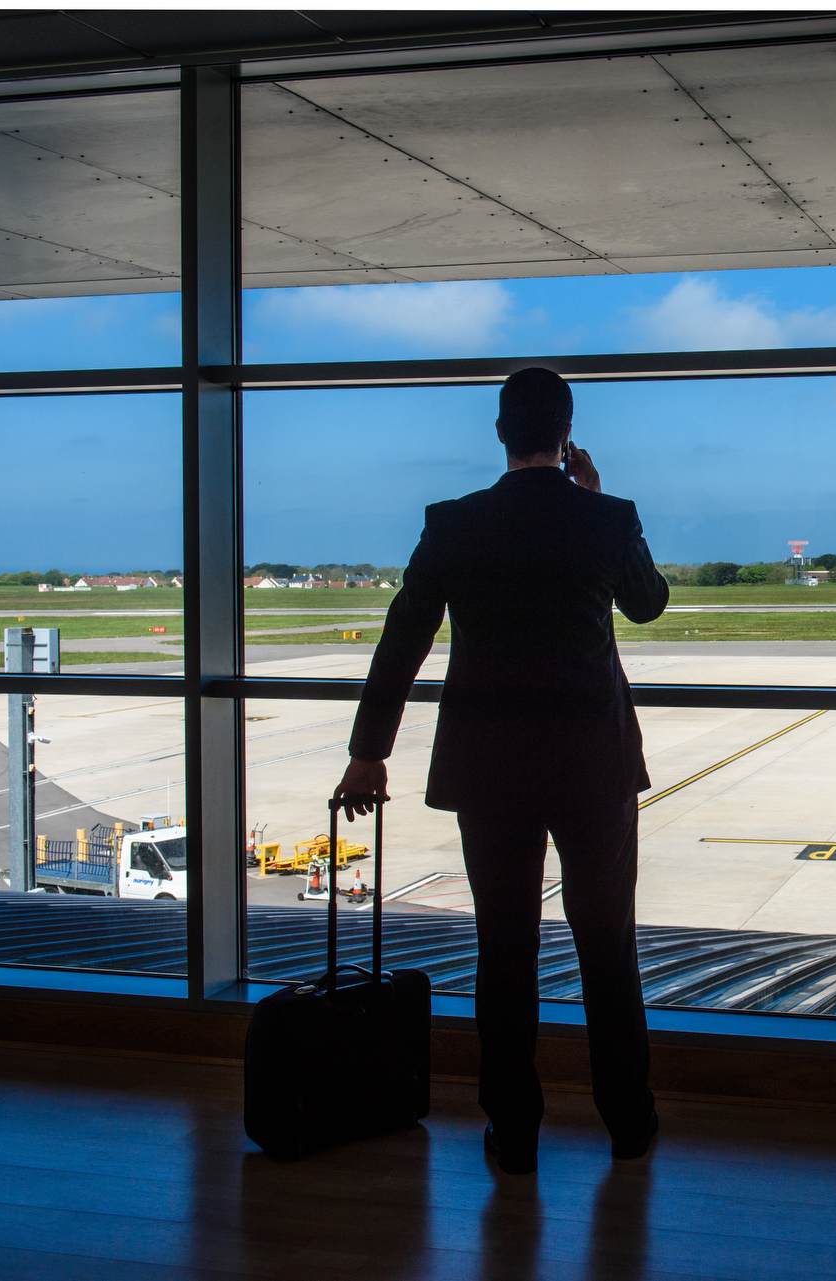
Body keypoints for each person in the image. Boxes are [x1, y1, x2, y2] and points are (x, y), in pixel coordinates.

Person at [332, 367, 669, 1176]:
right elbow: (648, 602)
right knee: (607, 948)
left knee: (505, 950)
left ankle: (514, 1130)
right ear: (567, 434)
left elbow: (403, 639)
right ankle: (628, 1122)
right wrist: (599, 499)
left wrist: (369, 751)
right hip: (592, 767)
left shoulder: (452, 524)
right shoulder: (606, 518)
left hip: (490, 770)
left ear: (499, 432)